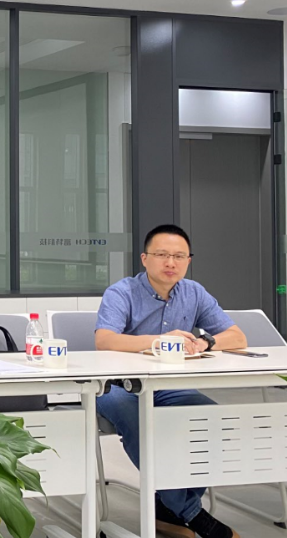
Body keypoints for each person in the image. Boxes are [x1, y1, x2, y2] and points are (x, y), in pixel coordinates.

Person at [95, 224, 247, 538]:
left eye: (179, 256)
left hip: (168, 386)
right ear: (144, 259)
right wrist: (159, 341)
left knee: (211, 418)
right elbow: (105, 340)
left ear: (188, 260)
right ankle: (191, 513)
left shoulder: (194, 292)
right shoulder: (121, 292)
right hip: (116, 387)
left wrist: (205, 342)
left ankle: (167, 509)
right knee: (142, 421)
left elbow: (237, 337)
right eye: (162, 254)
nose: (170, 263)